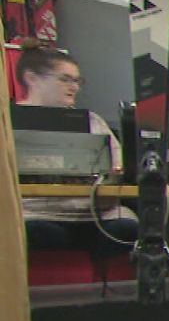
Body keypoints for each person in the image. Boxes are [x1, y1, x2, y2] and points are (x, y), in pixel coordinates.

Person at [17, 41, 139, 261]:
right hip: (35, 212)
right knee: (41, 234)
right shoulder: (8, 121)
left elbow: (119, 167)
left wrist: (116, 175)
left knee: (129, 229)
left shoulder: (92, 122)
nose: (74, 87)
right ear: (32, 78)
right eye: (65, 79)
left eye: (77, 81)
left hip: (97, 214)